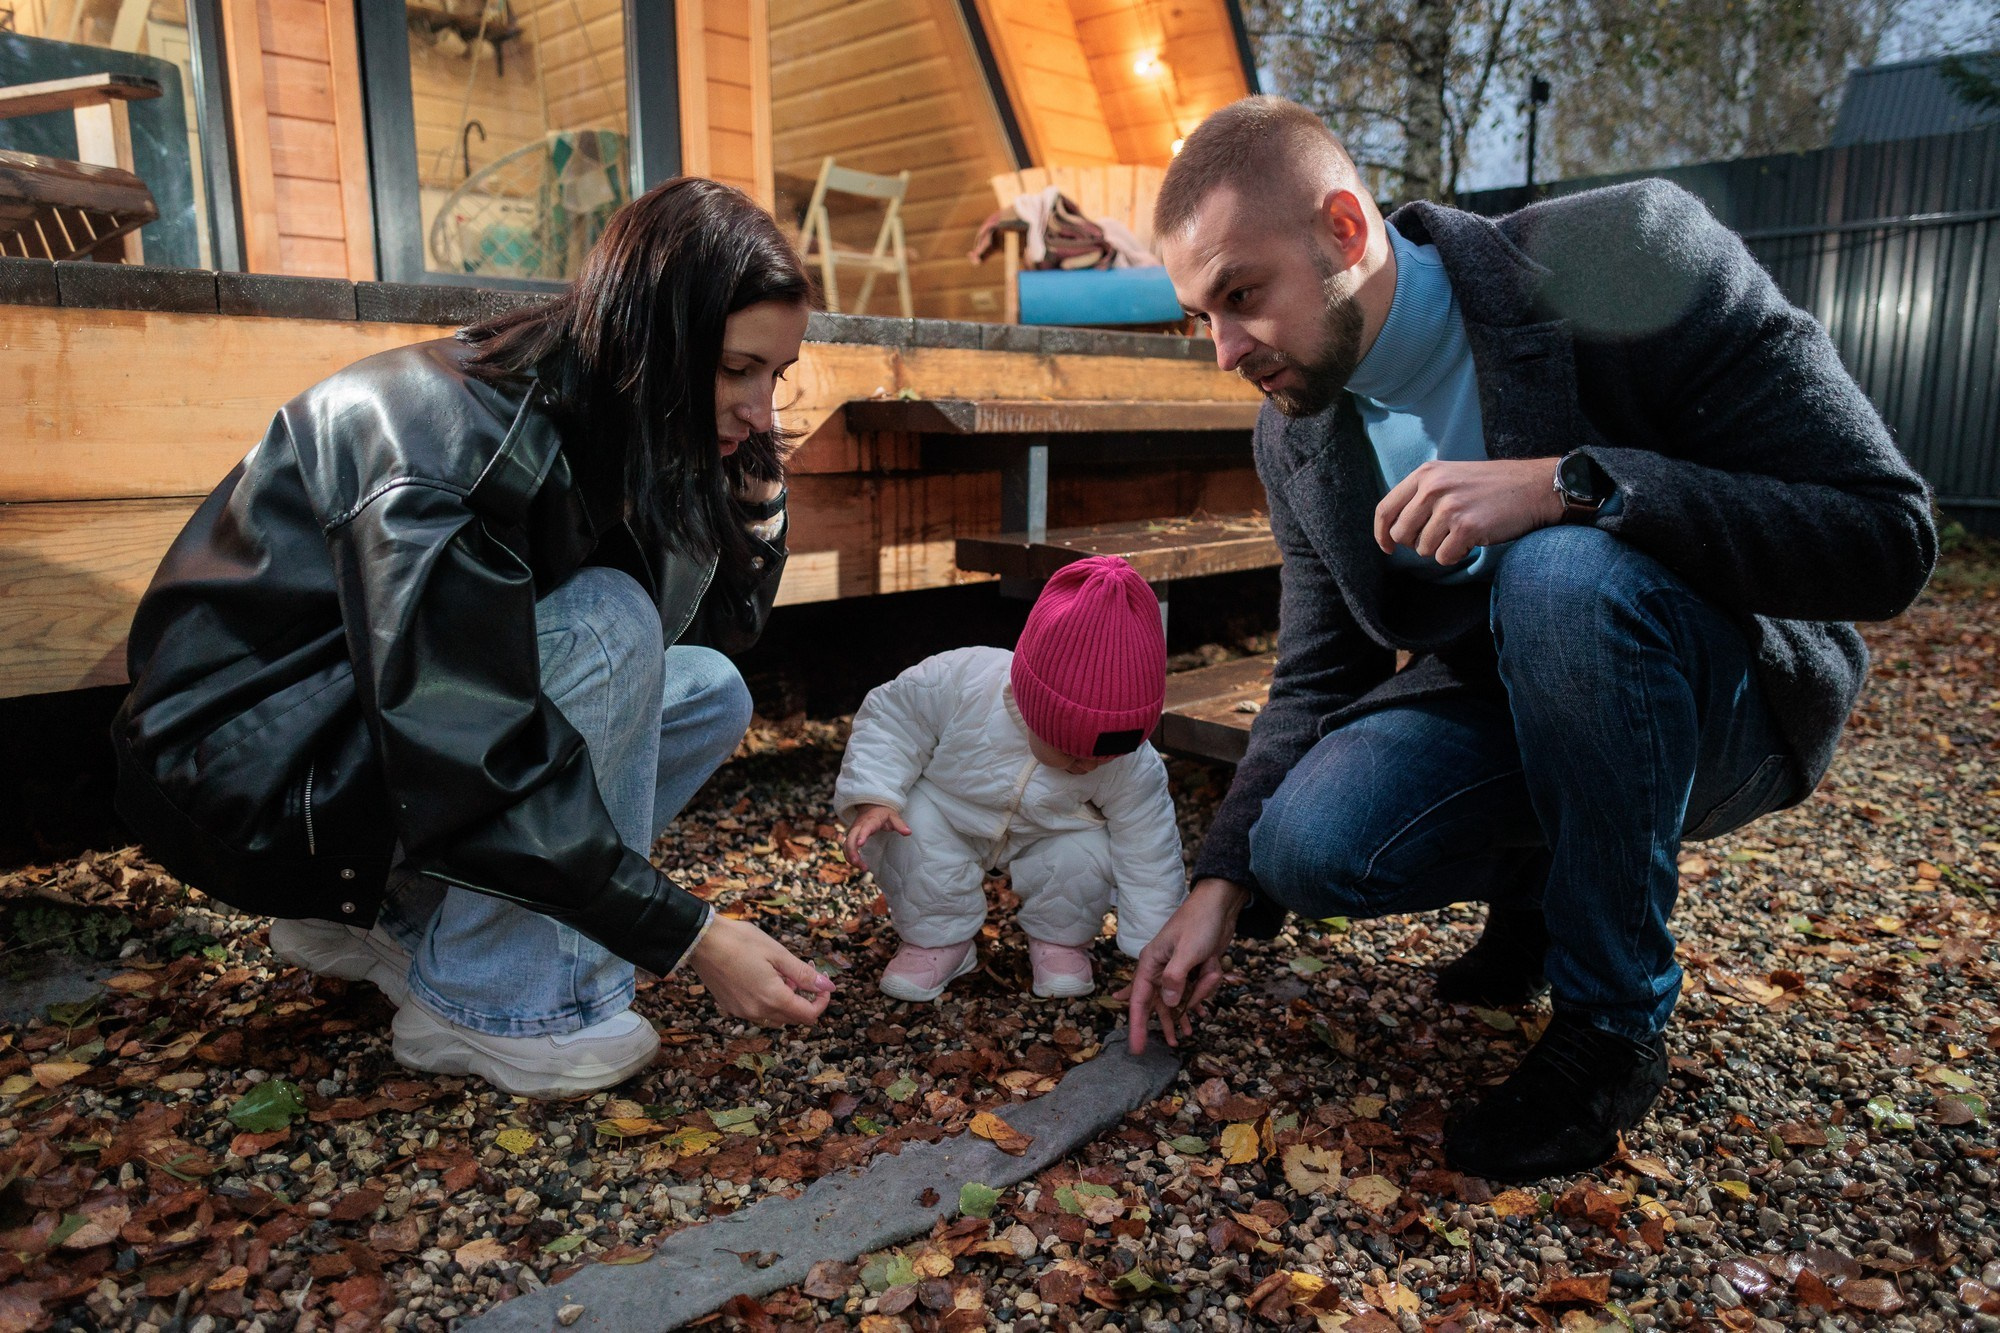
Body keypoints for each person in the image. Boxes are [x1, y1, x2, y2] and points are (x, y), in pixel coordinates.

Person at [1123, 97, 1937, 1180]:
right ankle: (1540, 893)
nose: (1223, 350)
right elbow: (1320, 672)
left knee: (1563, 572)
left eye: (1239, 296)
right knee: (1305, 847)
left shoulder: (1620, 253)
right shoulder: (1297, 436)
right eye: (1198, 316)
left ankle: (1610, 1024)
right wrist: (1218, 882)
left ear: (1344, 232)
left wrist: (1573, 487)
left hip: (1721, 700)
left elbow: (1885, 535)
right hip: (1512, 699)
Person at [111, 178, 834, 1100]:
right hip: (252, 779)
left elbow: (717, 635)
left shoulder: (619, 416)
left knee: (704, 690)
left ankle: (392, 919)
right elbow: (466, 746)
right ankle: (495, 1002)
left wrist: (756, 508)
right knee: (610, 627)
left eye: (777, 375)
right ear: (654, 335)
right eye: (737, 371)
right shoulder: (453, 438)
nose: (762, 410)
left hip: (359, 746)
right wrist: (689, 933)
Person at [835, 556, 1187, 1001]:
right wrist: (875, 796)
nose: (1086, 768)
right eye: (1070, 752)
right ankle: (938, 940)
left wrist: (1155, 947)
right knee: (910, 828)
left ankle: (1060, 941)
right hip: (951, 810)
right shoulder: (962, 679)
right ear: (1030, 706)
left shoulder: (1131, 762)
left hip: (1049, 829)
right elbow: (892, 721)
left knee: (1085, 853)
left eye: (1103, 759)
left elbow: (1150, 848)